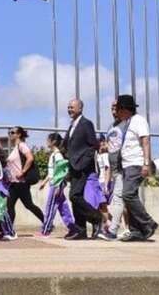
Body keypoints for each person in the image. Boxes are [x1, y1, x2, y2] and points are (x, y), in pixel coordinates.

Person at [112, 94, 158, 242]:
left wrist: (146, 163)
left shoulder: (139, 121)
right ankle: (136, 230)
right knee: (129, 197)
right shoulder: (127, 123)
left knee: (127, 194)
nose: (116, 112)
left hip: (136, 163)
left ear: (125, 109)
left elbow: (145, 141)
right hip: (127, 165)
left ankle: (148, 223)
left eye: (118, 109)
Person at [63, 99, 105, 240]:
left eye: (72, 107)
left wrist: (83, 161)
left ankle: (97, 218)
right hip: (73, 166)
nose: (69, 109)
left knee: (74, 196)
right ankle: (80, 230)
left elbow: (94, 145)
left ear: (80, 109)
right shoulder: (72, 125)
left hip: (82, 167)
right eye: (68, 107)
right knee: (76, 198)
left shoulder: (86, 124)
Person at [35, 133, 76, 238]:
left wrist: (58, 185)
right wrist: (44, 182)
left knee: (51, 206)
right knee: (63, 207)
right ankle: (73, 228)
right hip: (55, 183)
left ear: (53, 141)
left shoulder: (57, 155)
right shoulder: (53, 154)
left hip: (57, 184)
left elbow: (62, 171)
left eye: (48, 139)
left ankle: (46, 230)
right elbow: (52, 172)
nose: (47, 141)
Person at [5, 126, 44, 226]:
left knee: (29, 205)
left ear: (19, 134)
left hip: (21, 183)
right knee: (9, 206)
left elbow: (30, 158)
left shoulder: (22, 145)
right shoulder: (15, 148)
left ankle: (47, 222)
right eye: (10, 132)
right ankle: (9, 230)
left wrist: (22, 172)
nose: (10, 134)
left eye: (13, 132)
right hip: (14, 183)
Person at [104, 101, 126, 240]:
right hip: (115, 168)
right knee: (125, 199)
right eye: (111, 107)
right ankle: (143, 226)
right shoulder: (111, 127)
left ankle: (112, 230)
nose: (113, 110)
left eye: (116, 107)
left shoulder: (126, 125)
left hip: (124, 167)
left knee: (118, 199)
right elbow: (110, 145)